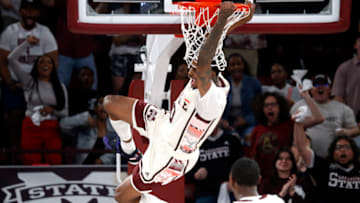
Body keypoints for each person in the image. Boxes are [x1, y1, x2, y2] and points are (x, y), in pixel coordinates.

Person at [103, 2, 255, 202]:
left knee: (121, 196)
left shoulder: (213, 99)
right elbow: (210, 49)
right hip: (164, 123)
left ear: (208, 72)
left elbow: (203, 61)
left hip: (170, 154)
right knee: (110, 103)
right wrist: (234, 21)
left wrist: (220, 22)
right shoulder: (207, 81)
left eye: (196, 65)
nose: (189, 65)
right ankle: (129, 149)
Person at [0, 0, 58, 152]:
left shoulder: (44, 32)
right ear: (20, 12)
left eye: (33, 10)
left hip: (37, 85)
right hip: (16, 82)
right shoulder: (10, 31)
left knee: (40, 119)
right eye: (26, 10)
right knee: (14, 116)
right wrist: (10, 82)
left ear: (38, 13)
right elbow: (3, 60)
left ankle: (37, 152)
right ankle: (14, 151)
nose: (29, 14)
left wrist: (43, 83)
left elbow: (53, 60)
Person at [8, 35, 67, 165]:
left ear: (53, 67)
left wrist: (52, 111)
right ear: (36, 66)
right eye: (41, 62)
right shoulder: (29, 82)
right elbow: (11, 59)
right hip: (31, 126)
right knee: (32, 164)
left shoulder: (59, 87)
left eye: (49, 62)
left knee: (54, 163)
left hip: (52, 128)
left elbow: (65, 113)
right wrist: (26, 44)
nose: (45, 64)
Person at [248, 89, 323, 179]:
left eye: (273, 104)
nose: (270, 108)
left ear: (280, 107)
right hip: (264, 179)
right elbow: (252, 156)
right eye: (266, 105)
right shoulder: (257, 130)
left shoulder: (290, 124)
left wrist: (306, 96)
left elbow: (318, 118)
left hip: (285, 176)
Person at [291, 74, 359, 158]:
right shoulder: (299, 105)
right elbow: (290, 126)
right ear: (311, 90)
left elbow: (356, 130)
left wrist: (346, 132)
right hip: (307, 157)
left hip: (334, 159)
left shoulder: (343, 108)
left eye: (324, 84)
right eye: (316, 85)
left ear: (330, 89)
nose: (320, 87)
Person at [293, 121, 360, 203]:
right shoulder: (324, 166)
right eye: (338, 147)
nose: (342, 150)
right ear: (332, 152)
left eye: (347, 147)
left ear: (354, 151)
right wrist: (298, 123)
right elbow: (303, 149)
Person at [186, 124, 243, 203]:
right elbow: (185, 172)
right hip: (205, 192)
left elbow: (242, 166)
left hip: (231, 190)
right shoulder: (195, 144)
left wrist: (235, 182)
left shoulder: (232, 140)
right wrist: (195, 175)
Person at [60, 96, 115, 165]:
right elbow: (62, 125)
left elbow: (115, 151)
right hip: (82, 168)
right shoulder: (85, 124)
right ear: (94, 107)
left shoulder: (114, 127)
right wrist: (84, 118)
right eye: (100, 103)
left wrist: (102, 160)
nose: (104, 107)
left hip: (104, 171)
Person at [222, 53, 261, 145]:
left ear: (244, 66)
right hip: (228, 124)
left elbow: (259, 107)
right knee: (231, 141)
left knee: (250, 137)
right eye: (232, 65)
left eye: (239, 64)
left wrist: (246, 120)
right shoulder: (223, 83)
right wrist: (222, 121)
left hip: (249, 122)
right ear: (228, 68)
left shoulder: (253, 83)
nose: (236, 67)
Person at [332, 33, 360, 120]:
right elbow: (338, 97)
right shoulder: (344, 68)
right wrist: (349, 119)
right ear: (355, 45)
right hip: (352, 122)